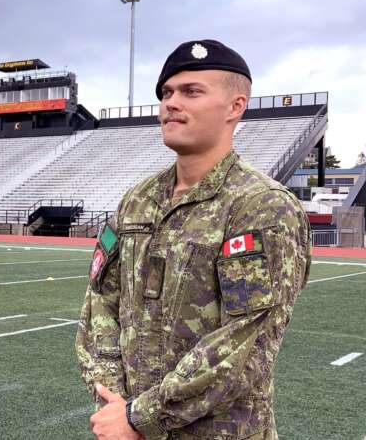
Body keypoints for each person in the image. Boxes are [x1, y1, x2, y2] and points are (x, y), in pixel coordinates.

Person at [76, 39, 311, 440]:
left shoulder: (262, 207)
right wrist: (113, 399)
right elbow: (100, 300)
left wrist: (139, 417)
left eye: (191, 92)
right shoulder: (137, 201)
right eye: (166, 93)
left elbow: (246, 343)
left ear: (235, 106)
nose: (170, 103)